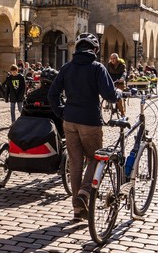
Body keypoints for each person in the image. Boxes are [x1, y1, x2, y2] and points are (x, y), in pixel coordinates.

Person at [48, 33, 119, 221]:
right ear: (95, 50)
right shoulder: (97, 68)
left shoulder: (66, 67)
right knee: (96, 158)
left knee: (76, 163)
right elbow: (110, 95)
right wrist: (118, 94)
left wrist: (61, 112)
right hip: (90, 121)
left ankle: (78, 210)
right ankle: (84, 193)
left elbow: (52, 93)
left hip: (69, 121)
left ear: (77, 48)